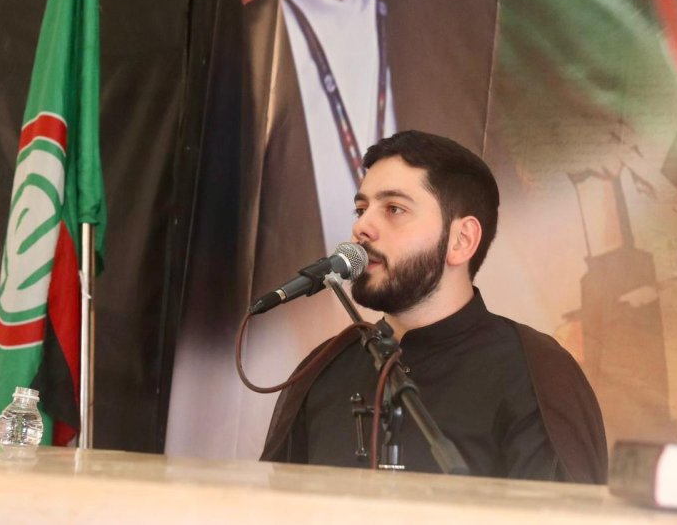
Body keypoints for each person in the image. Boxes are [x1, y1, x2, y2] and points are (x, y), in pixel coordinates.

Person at [260, 130, 608, 483]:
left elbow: (559, 509)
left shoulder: (536, 374)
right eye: (361, 209)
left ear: (461, 240)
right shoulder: (324, 369)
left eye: (394, 209)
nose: (361, 227)